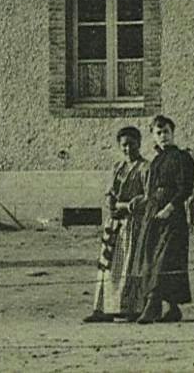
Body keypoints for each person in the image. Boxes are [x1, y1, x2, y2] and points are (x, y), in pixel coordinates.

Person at [129, 114, 194, 324]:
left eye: (166, 131)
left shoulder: (182, 158)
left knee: (166, 259)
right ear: (154, 137)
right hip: (153, 213)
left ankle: (154, 305)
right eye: (158, 133)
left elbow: (185, 188)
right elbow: (150, 189)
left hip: (172, 216)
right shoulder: (157, 160)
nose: (163, 136)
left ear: (173, 133)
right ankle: (171, 308)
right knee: (151, 258)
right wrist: (143, 203)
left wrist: (169, 208)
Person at [83, 126, 148, 322]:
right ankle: (103, 309)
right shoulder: (118, 168)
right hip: (114, 223)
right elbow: (110, 192)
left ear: (139, 143)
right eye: (124, 145)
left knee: (128, 265)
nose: (128, 149)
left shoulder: (145, 167)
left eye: (132, 144)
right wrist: (110, 201)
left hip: (132, 224)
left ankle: (129, 308)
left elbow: (147, 196)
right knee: (108, 266)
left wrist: (127, 205)